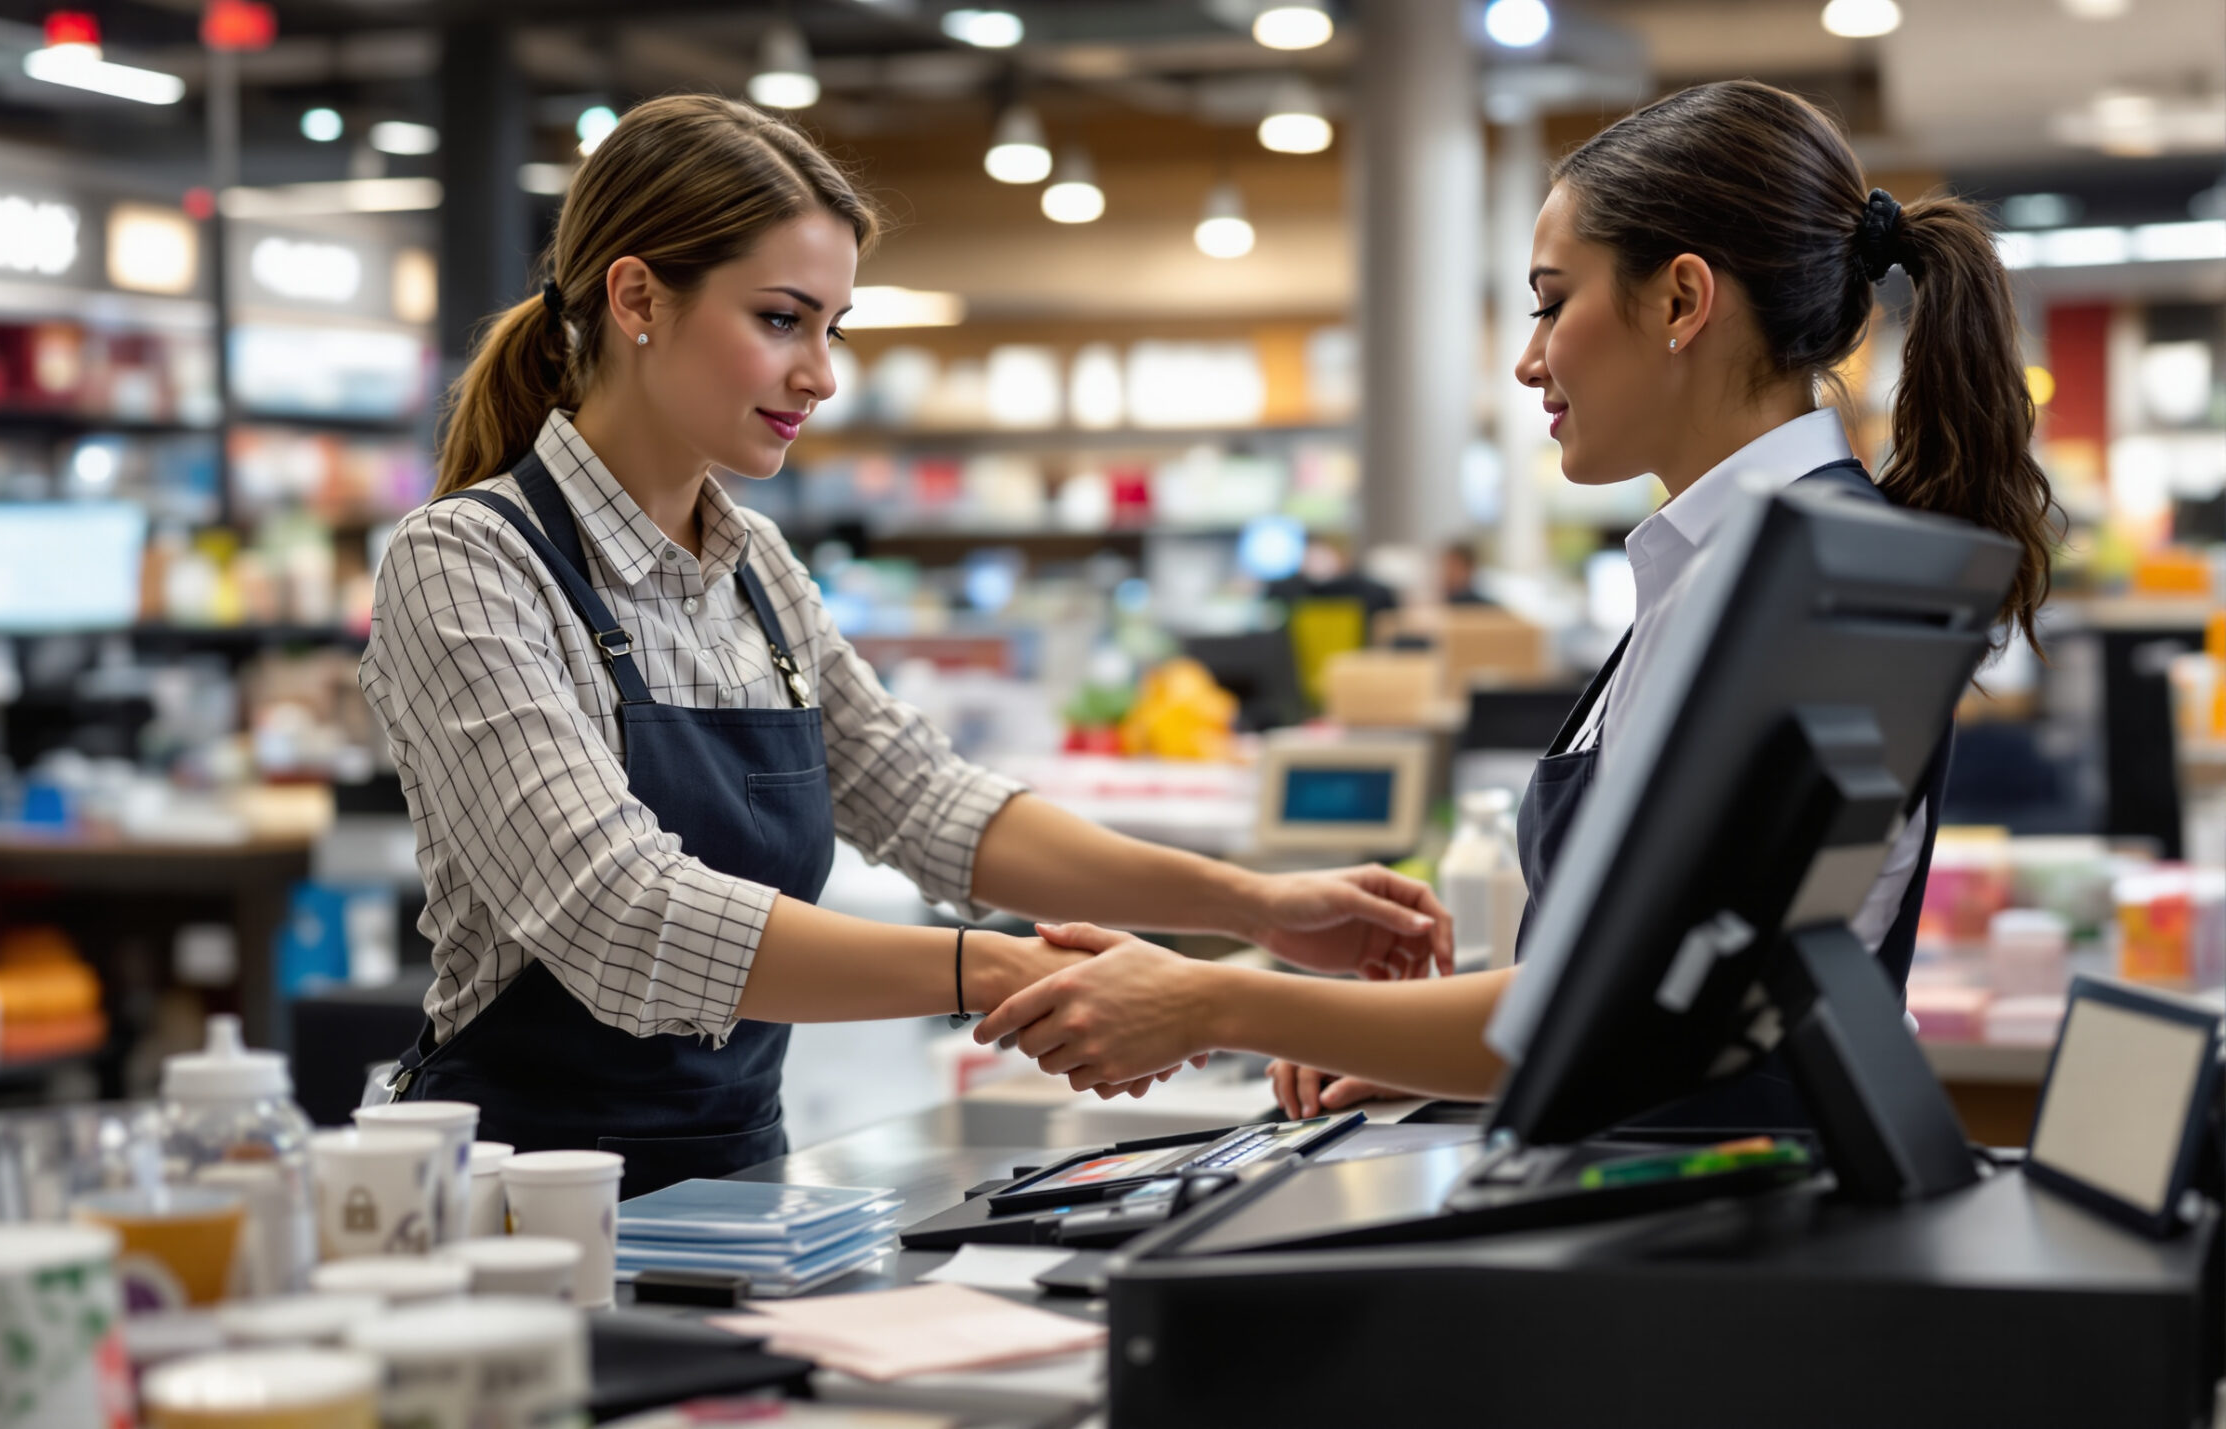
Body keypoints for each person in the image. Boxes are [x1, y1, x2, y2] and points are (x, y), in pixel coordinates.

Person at [358, 94, 1450, 1199]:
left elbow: (928, 802)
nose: (820, 374)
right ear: (636, 296)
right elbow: (625, 913)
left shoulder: (755, 567)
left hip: (733, 1184)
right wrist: (1003, 969)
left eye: (832, 328)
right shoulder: (467, 561)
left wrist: (1253, 904)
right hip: (516, 1202)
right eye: (781, 320)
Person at [974, 79, 2059, 1116]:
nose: (1528, 361)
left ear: (1682, 300)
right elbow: (1661, 992)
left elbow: (1628, 1008)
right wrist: (1414, 1047)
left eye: (1551, 304)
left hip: (1709, 1207)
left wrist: (1213, 1000)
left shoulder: (1794, 585)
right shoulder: (1746, 561)